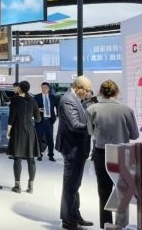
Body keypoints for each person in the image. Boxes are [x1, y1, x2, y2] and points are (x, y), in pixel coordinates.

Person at [86, 80, 139, 229]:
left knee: (104, 190)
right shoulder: (127, 110)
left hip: (101, 152)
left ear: (100, 92)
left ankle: (106, 224)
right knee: (123, 190)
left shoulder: (91, 109)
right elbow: (134, 135)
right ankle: (121, 224)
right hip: (122, 153)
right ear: (117, 92)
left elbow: (90, 132)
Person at [56, 75, 95, 230]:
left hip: (77, 148)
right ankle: (68, 220)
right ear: (79, 87)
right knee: (70, 185)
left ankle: (74, 216)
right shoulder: (68, 100)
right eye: (87, 91)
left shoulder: (75, 99)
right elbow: (74, 125)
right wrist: (95, 126)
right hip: (72, 148)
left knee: (74, 185)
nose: (88, 93)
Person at [6, 80, 40, 194]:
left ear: (19, 88)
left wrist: (8, 131)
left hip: (18, 130)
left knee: (17, 158)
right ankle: (31, 187)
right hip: (30, 131)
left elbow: (11, 117)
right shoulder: (33, 100)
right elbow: (38, 119)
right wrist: (31, 116)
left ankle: (17, 186)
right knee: (31, 159)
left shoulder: (15, 100)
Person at [34, 82, 58, 162]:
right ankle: (39, 154)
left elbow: (57, 106)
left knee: (50, 139)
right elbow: (32, 108)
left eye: (45, 87)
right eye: (42, 87)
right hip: (40, 120)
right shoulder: (37, 97)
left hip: (49, 121)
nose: (43, 89)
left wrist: (56, 116)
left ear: (48, 88)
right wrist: (38, 109)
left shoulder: (53, 97)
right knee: (39, 138)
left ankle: (51, 155)